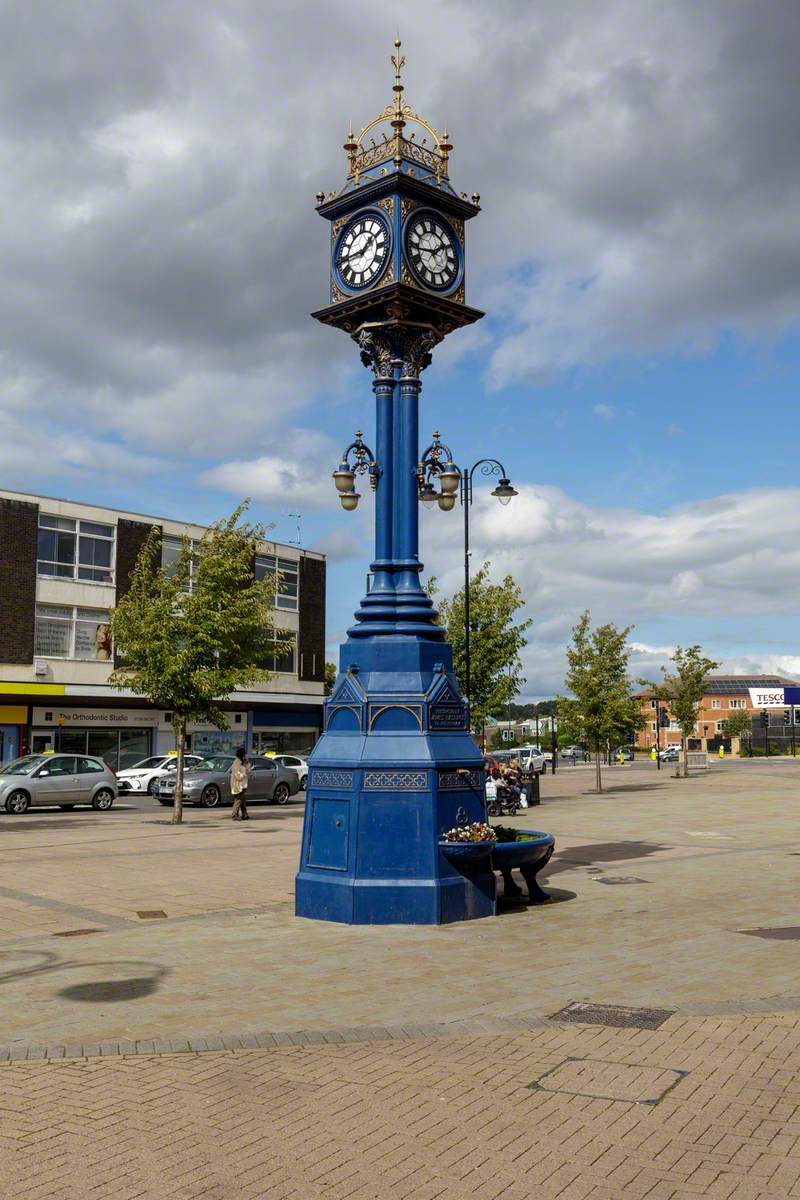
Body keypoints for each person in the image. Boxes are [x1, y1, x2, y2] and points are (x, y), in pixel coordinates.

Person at [230, 747, 251, 820]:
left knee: (242, 800)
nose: (246, 755)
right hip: (238, 784)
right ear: (242, 754)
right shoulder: (237, 762)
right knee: (238, 799)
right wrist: (245, 774)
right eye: (245, 754)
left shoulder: (245, 762)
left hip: (244, 784)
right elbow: (237, 775)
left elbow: (249, 770)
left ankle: (245, 814)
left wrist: (247, 764)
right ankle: (234, 815)